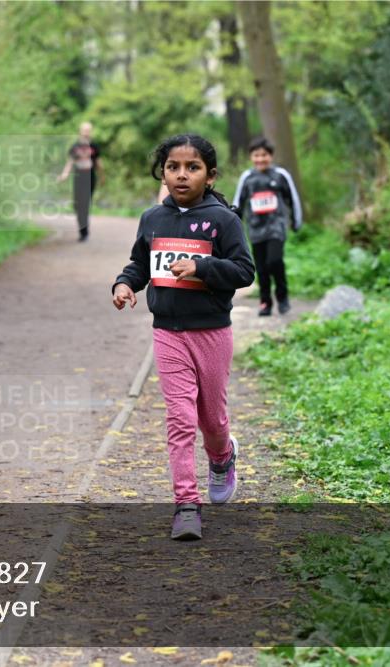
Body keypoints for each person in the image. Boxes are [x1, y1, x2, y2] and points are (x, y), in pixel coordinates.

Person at [111, 134, 254, 540]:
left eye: (192, 167)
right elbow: (139, 264)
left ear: (210, 175)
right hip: (168, 332)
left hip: (211, 332)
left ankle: (223, 458)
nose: (181, 175)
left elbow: (244, 271)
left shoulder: (223, 219)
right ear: (163, 173)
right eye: (173, 167)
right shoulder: (153, 219)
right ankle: (185, 505)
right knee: (180, 418)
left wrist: (203, 266)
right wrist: (125, 284)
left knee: (212, 419)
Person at [232, 137, 303, 316]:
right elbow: (238, 203)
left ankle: (283, 296)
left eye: (264, 155)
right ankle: (265, 302)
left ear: (270, 156)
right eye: (256, 155)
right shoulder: (247, 177)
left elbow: (292, 198)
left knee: (275, 261)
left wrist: (296, 220)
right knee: (261, 267)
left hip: (276, 227)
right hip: (256, 229)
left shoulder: (280, 175)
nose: (260, 159)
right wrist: (233, 225)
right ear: (251, 157)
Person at [57, 121, 104, 241]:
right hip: (78, 177)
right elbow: (70, 162)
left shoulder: (94, 146)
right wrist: (64, 175)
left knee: (85, 204)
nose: (86, 133)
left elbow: (98, 163)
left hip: (90, 177)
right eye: (84, 130)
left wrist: (102, 176)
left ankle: (84, 232)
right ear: (80, 131)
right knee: (77, 205)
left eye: (88, 130)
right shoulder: (75, 147)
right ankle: (82, 228)